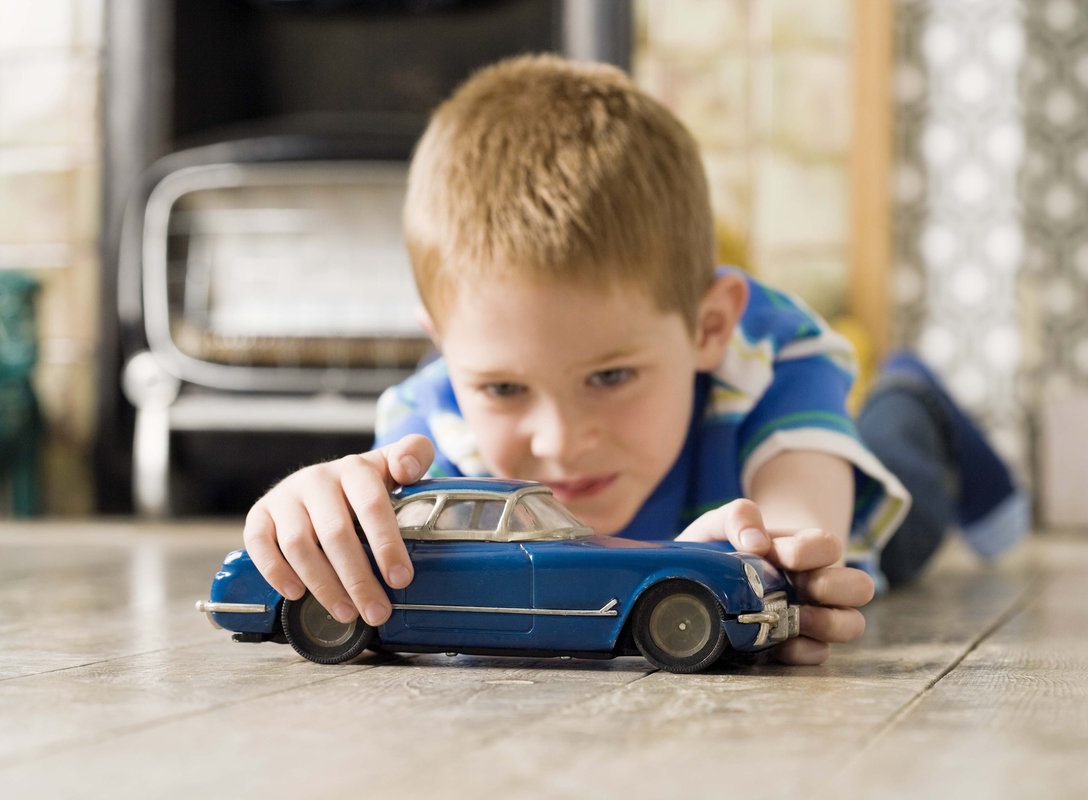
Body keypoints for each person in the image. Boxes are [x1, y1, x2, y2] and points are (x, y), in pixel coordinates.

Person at [242, 54, 1025, 665]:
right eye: (504, 387)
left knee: (904, 487)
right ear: (445, 350)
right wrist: (312, 509)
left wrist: (775, 560)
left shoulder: (769, 360)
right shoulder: (432, 422)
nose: (561, 442)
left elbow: (801, 536)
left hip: (804, 464)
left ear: (708, 327)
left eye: (610, 376)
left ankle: (913, 398)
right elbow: (379, 531)